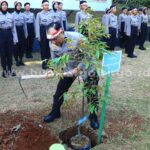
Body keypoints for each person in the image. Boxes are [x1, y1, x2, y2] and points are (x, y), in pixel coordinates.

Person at [43, 22, 100, 130]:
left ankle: (93, 116)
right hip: (70, 68)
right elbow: (55, 59)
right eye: (51, 39)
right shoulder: (52, 43)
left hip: (87, 66)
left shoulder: (78, 38)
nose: (53, 42)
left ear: (62, 33)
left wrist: (79, 68)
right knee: (59, 92)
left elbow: (89, 55)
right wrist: (52, 69)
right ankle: (55, 112)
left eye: (55, 38)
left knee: (91, 93)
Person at [0, 0, 18, 78]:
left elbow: (14, 28)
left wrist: (15, 39)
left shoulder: (11, 15)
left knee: (10, 53)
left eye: (6, 5)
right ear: (1, 6)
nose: (4, 6)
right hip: (1, 34)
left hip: (9, 34)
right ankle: (4, 70)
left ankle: (10, 69)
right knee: (3, 53)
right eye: (3, 5)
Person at [36, 0, 52, 69]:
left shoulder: (51, 14)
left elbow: (53, 25)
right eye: (45, 5)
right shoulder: (39, 14)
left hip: (49, 31)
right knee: (43, 48)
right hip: (42, 31)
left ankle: (48, 62)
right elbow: (37, 25)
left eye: (48, 5)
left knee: (49, 48)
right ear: (42, 6)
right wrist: (38, 35)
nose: (47, 6)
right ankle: (44, 63)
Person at [12, 1, 28, 66]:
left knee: (22, 47)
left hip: (21, 31)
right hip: (15, 31)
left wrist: (26, 33)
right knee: (16, 47)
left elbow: (25, 25)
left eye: (20, 5)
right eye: (17, 5)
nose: (19, 6)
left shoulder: (23, 15)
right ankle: (16, 60)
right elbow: (12, 26)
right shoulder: (12, 15)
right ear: (15, 7)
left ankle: (21, 60)